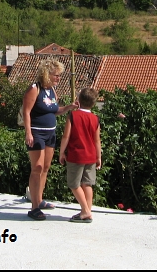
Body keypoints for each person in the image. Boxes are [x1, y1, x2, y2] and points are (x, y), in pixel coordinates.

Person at [22, 59, 78, 221]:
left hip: (50, 134)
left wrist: (68, 107)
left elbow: (54, 110)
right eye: (56, 75)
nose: (58, 78)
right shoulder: (34, 89)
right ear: (47, 74)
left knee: (45, 167)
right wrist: (28, 133)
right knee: (37, 168)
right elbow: (26, 112)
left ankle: (39, 200)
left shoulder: (52, 90)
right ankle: (34, 207)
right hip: (36, 133)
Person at [59, 87, 101, 223]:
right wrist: (98, 157)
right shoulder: (95, 119)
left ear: (79, 100)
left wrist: (61, 152)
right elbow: (97, 140)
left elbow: (66, 136)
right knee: (87, 184)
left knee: (74, 184)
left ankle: (85, 211)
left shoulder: (73, 116)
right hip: (91, 155)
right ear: (93, 103)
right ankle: (88, 210)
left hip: (76, 155)